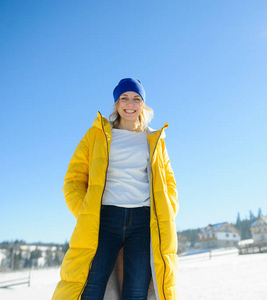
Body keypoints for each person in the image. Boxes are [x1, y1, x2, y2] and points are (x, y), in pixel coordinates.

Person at [52, 78, 179, 300]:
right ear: (116, 103)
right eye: (124, 98)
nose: (130, 103)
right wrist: (86, 213)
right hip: (105, 219)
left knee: (136, 293)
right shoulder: (97, 134)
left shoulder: (153, 139)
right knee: (89, 287)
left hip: (143, 221)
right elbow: (73, 179)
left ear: (143, 105)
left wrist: (167, 213)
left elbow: (169, 183)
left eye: (136, 98)